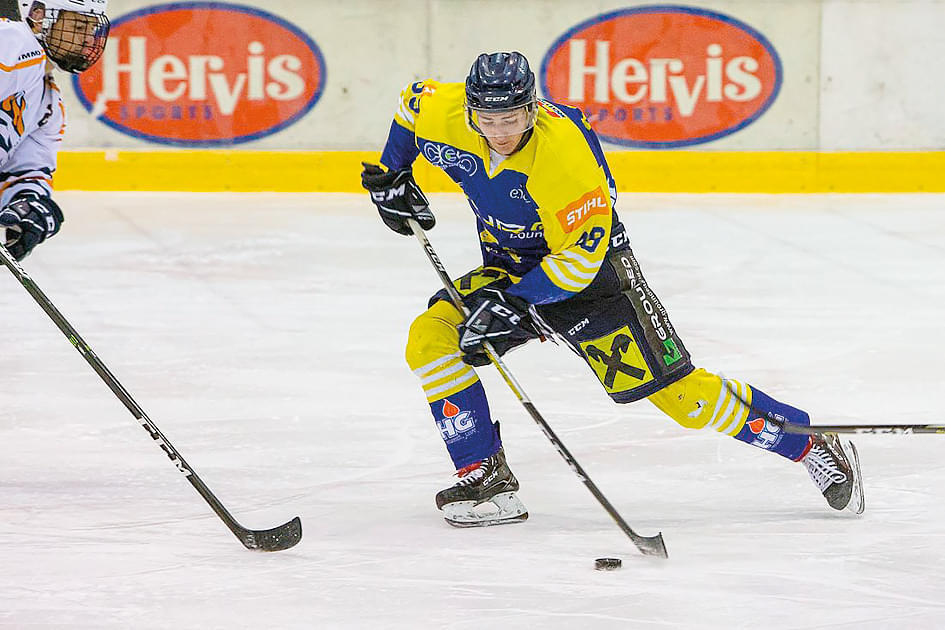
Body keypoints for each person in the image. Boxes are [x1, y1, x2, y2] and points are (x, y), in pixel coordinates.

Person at [361, 52, 865, 527]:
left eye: (510, 119)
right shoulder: (445, 110)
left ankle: (807, 442)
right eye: (487, 121)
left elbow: (580, 260)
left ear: (532, 108)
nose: (499, 133)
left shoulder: (564, 156)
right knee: (430, 339)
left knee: (683, 400)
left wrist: (515, 304)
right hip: (509, 268)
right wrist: (391, 174)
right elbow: (412, 104)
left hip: (593, 279)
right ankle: (484, 477)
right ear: (470, 110)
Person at [0, 0, 109, 261]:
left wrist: (29, 206)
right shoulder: (12, 40)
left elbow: (24, 173)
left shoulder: (48, 107)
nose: (88, 39)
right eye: (79, 27)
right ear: (38, 16)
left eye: (91, 29)